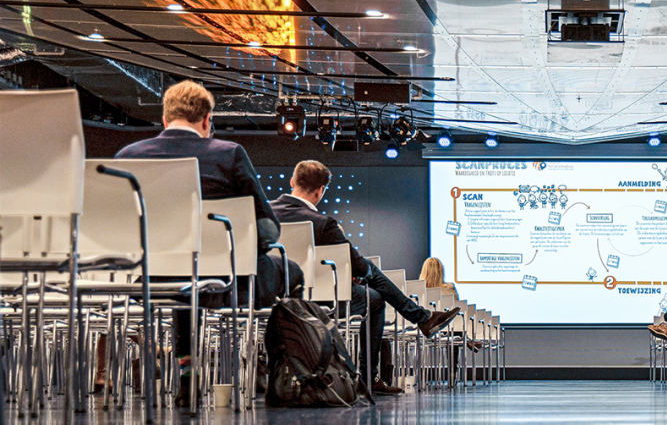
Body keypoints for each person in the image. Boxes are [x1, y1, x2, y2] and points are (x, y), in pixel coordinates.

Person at [115, 80, 304, 405]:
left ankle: (188, 372)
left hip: (153, 279)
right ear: (206, 120)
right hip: (228, 281)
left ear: (164, 120)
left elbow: (119, 226)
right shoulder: (228, 154)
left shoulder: (127, 157)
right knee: (293, 271)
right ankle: (279, 371)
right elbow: (268, 229)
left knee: (186, 277)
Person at [271, 160, 460, 395]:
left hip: (267, 297)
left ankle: (422, 318)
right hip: (317, 300)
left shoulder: (265, 214)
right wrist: (362, 274)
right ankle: (371, 375)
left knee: (368, 278)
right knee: (374, 297)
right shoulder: (322, 223)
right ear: (320, 191)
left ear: (292, 182)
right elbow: (356, 265)